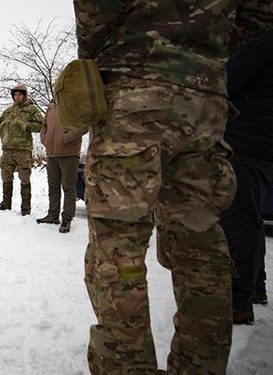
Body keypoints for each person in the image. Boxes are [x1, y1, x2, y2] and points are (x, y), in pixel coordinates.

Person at [74, 0, 239, 373]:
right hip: (205, 100)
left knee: (118, 250)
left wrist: (97, 58)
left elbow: (93, 12)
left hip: (136, 88)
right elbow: (258, 17)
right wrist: (203, 51)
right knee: (200, 249)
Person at [219, 3, 273, 325]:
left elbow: (227, 79)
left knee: (237, 219)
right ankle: (255, 287)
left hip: (247, 137)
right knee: (248, 216)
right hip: (261, 140)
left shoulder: (262, 43)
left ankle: (237, 300)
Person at [37, 101, 86, 233]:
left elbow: (85, 125)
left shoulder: (76, 104)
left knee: (69, 187)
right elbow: (44, 125)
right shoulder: (51, 107)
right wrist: (44, 138)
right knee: (53, 186)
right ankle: (53, 215)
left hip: (69, 153)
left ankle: (67, 218)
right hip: (51, 153)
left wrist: (66, 138)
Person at [0, 83, 43, 216]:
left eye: (20, 94)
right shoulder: (9, 110)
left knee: (24, 177)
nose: (17, 97)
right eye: (15, 94)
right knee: (6, 175)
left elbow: (42, 125)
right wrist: (4, 129)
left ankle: (26, 208)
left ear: (25, 95)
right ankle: (5, 204)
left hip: (23, 149)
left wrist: (25, 126)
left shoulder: (31, 109)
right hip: (8, 149)